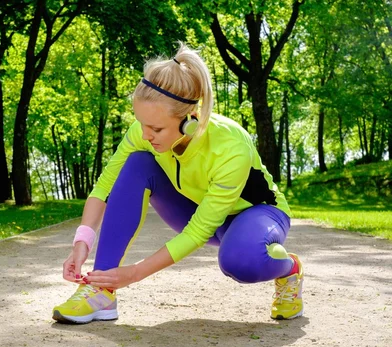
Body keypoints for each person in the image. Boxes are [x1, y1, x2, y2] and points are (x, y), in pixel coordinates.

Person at [52, 42, 303, 324]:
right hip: (198, 209)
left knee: (239, 262)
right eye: (141, 123)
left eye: (156, 129)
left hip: (258, 213)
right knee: (137, 163)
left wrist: (134, 274)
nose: (145, 135)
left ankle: (288, 268)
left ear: (190, 122)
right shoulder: (143, 132)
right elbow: (104, 187)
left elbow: (198, 232)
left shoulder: (231, 147)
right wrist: (81, 242)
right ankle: (100, 290)